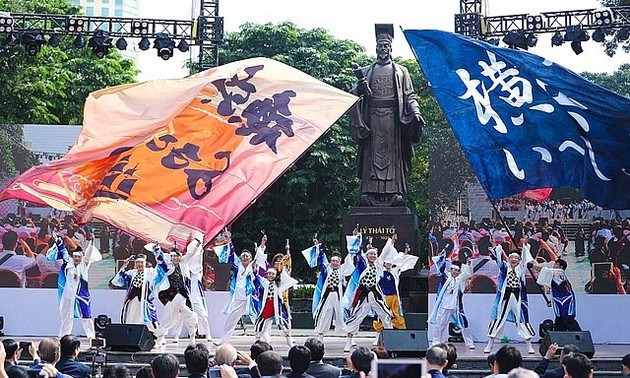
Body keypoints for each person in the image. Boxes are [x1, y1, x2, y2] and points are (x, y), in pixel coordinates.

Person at [349, 23, 424, 207]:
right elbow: (352, 94)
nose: (383, 49)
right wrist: (360, 88)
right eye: (380, 46)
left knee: (392, 159)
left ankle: (395, 192)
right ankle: (367, 192)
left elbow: (409, 96)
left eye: (386, 46)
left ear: (391, 48)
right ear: (376, 48)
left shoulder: (401, 71)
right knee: (371, 158)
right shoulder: (367, 71)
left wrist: (415, 111)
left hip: (393, 121)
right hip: (372, 120)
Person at [484, 243, 536, 355]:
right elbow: (499, 261)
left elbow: (526, 260)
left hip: (517, 297)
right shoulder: (504, 267)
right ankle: (490, 344)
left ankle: (529, 346)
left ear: (519, 260)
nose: (513, 259)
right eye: (511, 257)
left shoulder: (521, 268)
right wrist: (498, 250)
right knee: (498, 318)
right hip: (505, 295)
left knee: (522, 320)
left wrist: (527, 248)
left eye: (516, 258)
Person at [342, 243, 394, 352]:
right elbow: (358, 253)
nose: (373, 256)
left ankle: (390, 342)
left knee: (386, 315)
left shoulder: (379, 264)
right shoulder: (363, 264)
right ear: (367, 256)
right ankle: (348, 342)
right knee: (356, 317)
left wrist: (391, 241)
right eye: (370, 254)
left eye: (374, 254)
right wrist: (357, 239)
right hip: (363, 294)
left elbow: (384, 252)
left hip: (375, 293)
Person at [46, 235, 98, 339]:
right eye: (75, 257)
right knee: (67, 316)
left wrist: (92, 241)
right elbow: (62, 249)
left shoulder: (84, 265)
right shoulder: (68, 263)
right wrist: (57, 240)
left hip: (82, 295)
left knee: (86, 316)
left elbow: (88, 254)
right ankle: (63, 335)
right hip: (68, 294)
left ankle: (91, 336)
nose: (77, 259)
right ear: (73, 257)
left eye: (79, 257)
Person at [149, 242, 198, 346]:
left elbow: (190, 253)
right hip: (171, 295)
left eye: (176, 256)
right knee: (167, 318)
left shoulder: (184, 263)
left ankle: (192, 339)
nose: (175, 258)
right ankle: (159, 338)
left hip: (183, 295)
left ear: (180, 256)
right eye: (173, 256)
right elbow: (161, 259)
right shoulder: (168, 266)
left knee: (190, 315)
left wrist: (196, 244)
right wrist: (157, 249)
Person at [216, 233, 261, 345]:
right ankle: (223, 339)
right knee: (231, 319)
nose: (245, 257)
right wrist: (228, 241)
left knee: (256, 318)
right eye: (243, 256)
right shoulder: (238, 265)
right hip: (238, 297)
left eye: (247, 256)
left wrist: (261, 246)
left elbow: (259, 259)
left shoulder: (253, 266)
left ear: (250, 258)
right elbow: (231, 253)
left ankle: (260, 339)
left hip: (250, 297)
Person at [301, 238, 346, 341]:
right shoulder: (327, 270)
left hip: (338, 295)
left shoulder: (342, 271)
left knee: (342, 314)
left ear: (340, 263)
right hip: (328, 294)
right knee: (325, 313)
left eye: (337, 261)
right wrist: (317, 247)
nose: (335, 263)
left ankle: (349, 337)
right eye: (333, 261)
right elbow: (321, 259)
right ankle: (320, 337)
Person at [429, 250, 474, 349]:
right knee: (440, 324)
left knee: (464, 324)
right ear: (451, 269)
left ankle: (469, 343)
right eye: (454, 270)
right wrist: (442, 257)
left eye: (458, 271)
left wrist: (469, 264)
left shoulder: (460, 278)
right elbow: (441, 267)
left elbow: (469, 274)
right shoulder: (446, 276)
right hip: (444, 305)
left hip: (456, 307)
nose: (456, 272)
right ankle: (436, 342)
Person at [374, 233, 418, 331]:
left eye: (390, 262)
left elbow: (400, 262)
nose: (389, 263)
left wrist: (405, 253)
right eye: (387, 262)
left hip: (394, 298)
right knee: (383, 316)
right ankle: (379, 336)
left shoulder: (394, 272)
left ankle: (400, 334)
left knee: (397, 315)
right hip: (384, 298)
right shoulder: (380, 272)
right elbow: (385, 252)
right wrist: (391, 241)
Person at [171, 238, 213, 343]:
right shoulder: (182, 267)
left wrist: (198, 245)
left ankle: (208, 334)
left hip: (195, 296)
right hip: (184, 296)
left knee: (202, 315)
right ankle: (176, 335)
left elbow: (195, 254)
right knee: (180, 315)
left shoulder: (197, 273)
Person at [111, 253, 159, 331]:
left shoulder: (150, 272)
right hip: (133, 299)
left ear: (145, 263)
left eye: (141, 262)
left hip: (144, 300)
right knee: (131, 316)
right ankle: (130, 334)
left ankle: (155, 335)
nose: (139, 264)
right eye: (137, 262)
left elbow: (159, 275)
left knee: (149, 317)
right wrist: (124, 266)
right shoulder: (131, 273)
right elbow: (118, 280)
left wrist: (158, 261)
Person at [531, 259, 581, 332]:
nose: (554, 266)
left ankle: (580, 337)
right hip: (557, 299)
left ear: (561, 267)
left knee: (567, 318)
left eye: (556, 264)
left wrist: (533, 266)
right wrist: (551, 301)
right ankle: (560, 339)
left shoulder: (560, 272)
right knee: (559, 320)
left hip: (567, 299)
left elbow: (544, 270)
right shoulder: (553, 274)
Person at [253, 266, 298, 347]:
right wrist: (255, 270)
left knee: (284, 325)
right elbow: (256, 277)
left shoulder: (279, 284)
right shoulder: (264, 282)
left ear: (276, 275)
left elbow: (287, 279)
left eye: (273, 274)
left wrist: (286, 272)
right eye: (269, 273)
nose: (270, 275)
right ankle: (257, 341)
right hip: (267, 306)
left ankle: (289, 342)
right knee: (261, 324)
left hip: (277, 307)